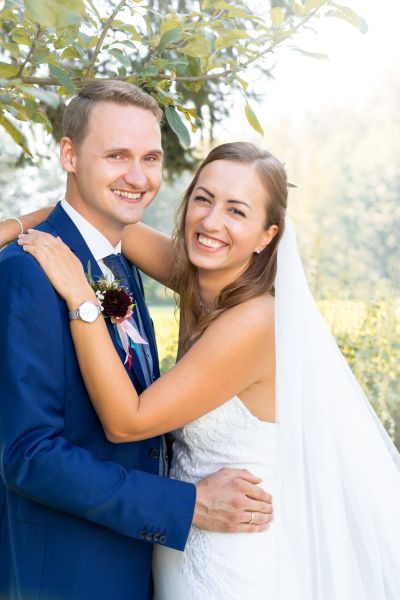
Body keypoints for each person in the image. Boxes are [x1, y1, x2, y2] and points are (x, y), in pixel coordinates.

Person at [10, 140, 400, 599]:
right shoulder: (203, 282)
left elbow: (127, 421)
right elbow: (88, 218)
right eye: (204, 199)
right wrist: (13, 228)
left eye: (237, 211)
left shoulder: (254, 323)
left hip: (232, 555)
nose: (212, 222)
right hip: (182, 543)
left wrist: (81, 297)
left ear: (267, 235)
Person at [0, 85, 273, 600]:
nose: (138, 176)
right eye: (116, 156)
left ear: (268, 234)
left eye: (150, 158)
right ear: (69, 156)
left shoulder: (119, 262)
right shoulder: (28, 273)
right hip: (70, 576)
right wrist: (186, 505)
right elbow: (30, 456)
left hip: (158, 562)